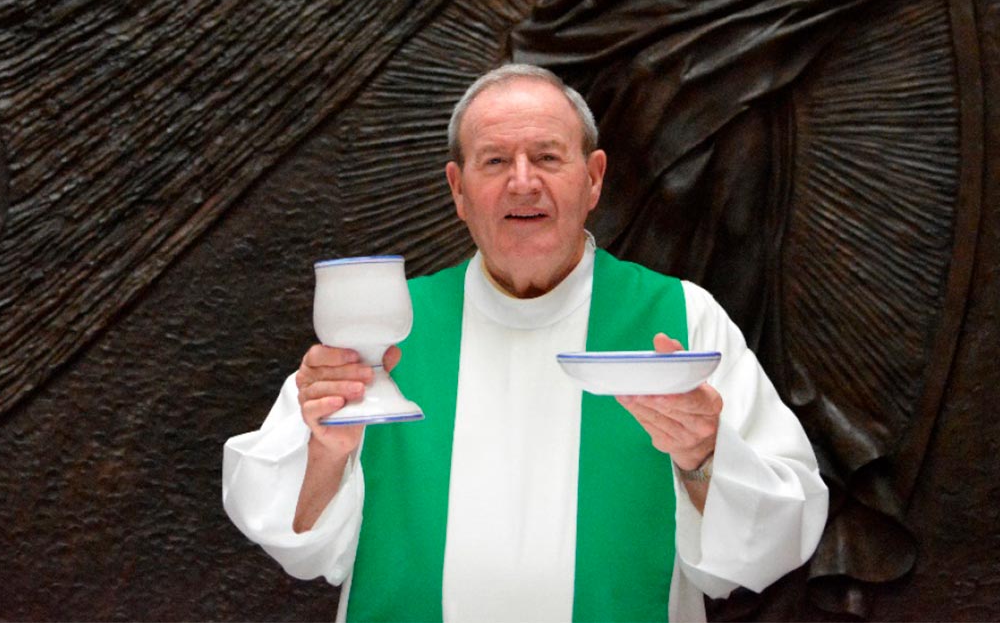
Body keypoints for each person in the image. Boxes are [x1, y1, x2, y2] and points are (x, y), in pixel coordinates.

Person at [223, 64, 828, 622]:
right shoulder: (382, 329)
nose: (522, 183)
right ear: (458, 190)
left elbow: (769, 544)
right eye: (493, 162)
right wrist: (326, 455)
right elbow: (293, 540)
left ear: (592, 179)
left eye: (546, 156)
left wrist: (704, 457)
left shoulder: (681, 320)